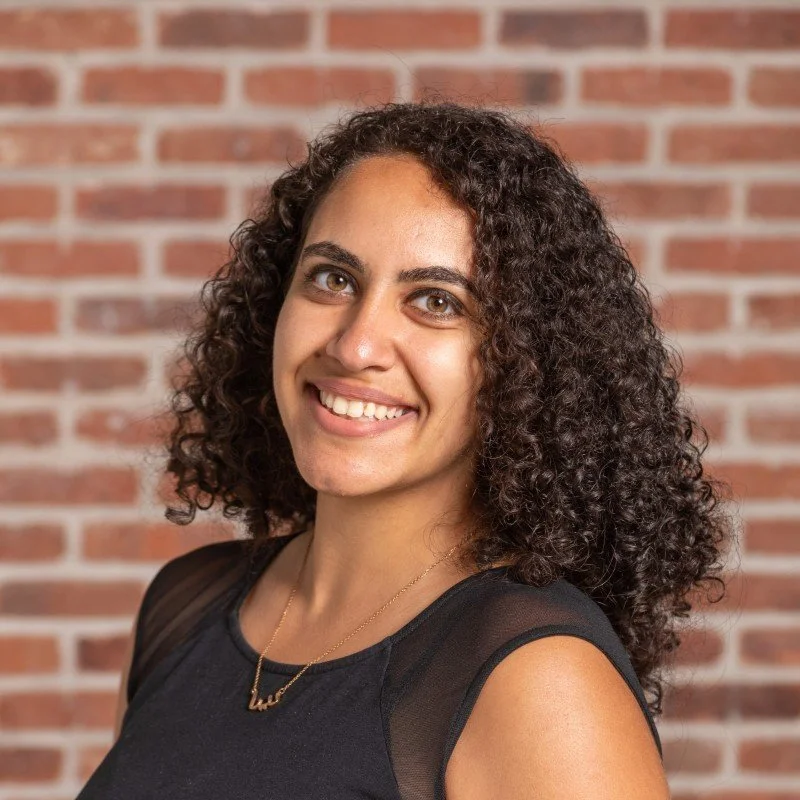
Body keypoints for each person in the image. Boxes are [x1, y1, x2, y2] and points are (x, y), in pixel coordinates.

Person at [77, 101, 731, 799]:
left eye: (436, 302)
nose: (355, 345)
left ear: (525, 361)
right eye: (333, 279)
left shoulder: (536, 679)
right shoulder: (186, 607)